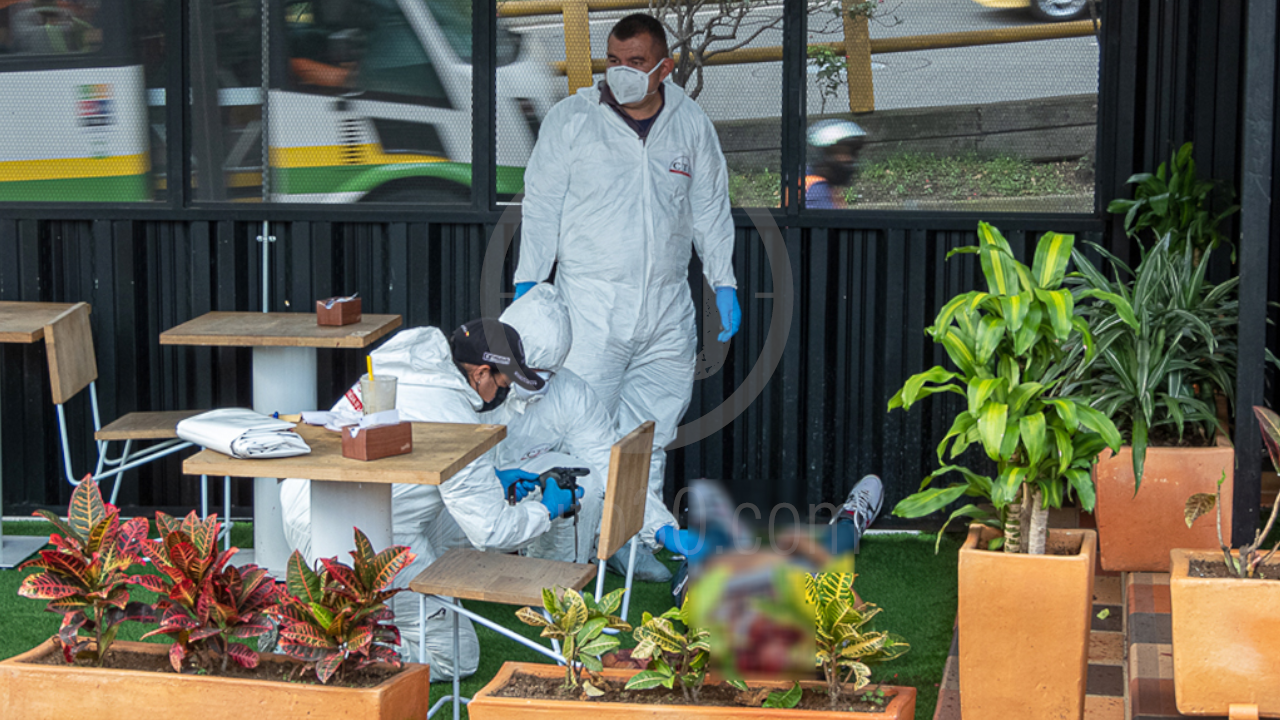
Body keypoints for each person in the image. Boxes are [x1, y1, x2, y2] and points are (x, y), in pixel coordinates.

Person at [514, 13, 741, 576]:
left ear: (665, 67)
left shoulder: (691, 124)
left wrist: (725, 281)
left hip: (667, 307)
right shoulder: (572, 120)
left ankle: (628, 546)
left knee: (649, 435)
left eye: (636, 63)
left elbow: (710, 209)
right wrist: (530, 280)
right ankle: (568, 550)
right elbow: (540, 205)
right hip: (589, 305)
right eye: (613, 61)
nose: (622, 73)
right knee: (582, 430)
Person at [279, 321, 583, 681]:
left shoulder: (401, 375)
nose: (504, 393)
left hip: (307, 502)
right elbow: (492, 532)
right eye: (503, 384)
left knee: (438, 539)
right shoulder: (455, 415)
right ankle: (337, 653)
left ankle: (330, 632)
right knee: (455, 656)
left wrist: (493, 482)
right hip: (367, 534)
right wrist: (547, 508)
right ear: (481, 374)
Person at [804, 119, 868, 209]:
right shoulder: (816, 191)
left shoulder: (808, 180)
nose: (848, 159)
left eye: (849, 153)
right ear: (822, 154)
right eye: (839, 152)